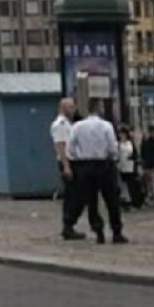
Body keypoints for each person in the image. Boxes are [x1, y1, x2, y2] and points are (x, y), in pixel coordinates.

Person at [66, 98, 126, 244]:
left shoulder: (77, 126)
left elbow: (70, 148)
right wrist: (112, 157)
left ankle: (98, 230)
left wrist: (78, 158)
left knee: (91, 201)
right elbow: (112, 147)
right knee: (111, 199)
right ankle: (116, 231)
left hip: (85, 165)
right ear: (99, 108)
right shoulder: (106, 126)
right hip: (103, 164)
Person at [51, 98, 84, 241]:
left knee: (78, 194)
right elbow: (60, 145)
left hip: (73, 161)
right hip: (68, 161)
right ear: (62, 108)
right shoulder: (61, 124)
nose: (73, 109)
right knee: (73, 195)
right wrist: (66, 166)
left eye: (73, 106)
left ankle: (70, 223)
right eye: (70, 107)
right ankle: (68, 225)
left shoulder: (69, 124)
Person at [117, 126, 142, 210]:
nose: (121, 135)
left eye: (123, 134)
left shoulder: (130, 143)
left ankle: (134, 201)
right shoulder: (118, 144)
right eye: (120, 134)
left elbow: (135, 154)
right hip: (121, 166)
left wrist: (133, 159)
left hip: (130, 166)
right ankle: (126, 201)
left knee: (131, 183)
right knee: (123, 184)